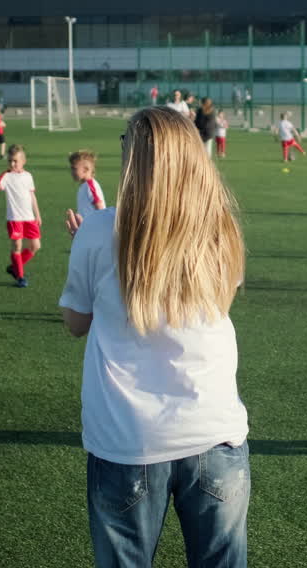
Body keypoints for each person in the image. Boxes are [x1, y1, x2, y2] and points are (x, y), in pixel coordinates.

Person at [60, 107, 250, 568]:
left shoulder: (100, 230)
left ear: (137, 158)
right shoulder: (222, 229)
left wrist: (82, 250)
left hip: (127, 438)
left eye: (126, 141)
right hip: (214, 432)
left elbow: (75, 322)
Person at [0, 144, 41, 288]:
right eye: (10, 161)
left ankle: (14, 266)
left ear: (23, 161)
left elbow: (32, 196)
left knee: (35, 246)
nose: (12, 164)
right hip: (15, 219)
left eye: (15, 161)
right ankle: (20, 276)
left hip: (29, 218)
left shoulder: (28, 176)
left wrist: (37, 214)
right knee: (17, 245)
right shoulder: (6, 176)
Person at [69, 150, 106, 221]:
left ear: (86, 169)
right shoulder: (84, 186)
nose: (72, 172)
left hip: (94, 228)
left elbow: (100, 208)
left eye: (74, 169)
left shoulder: (90, 186)